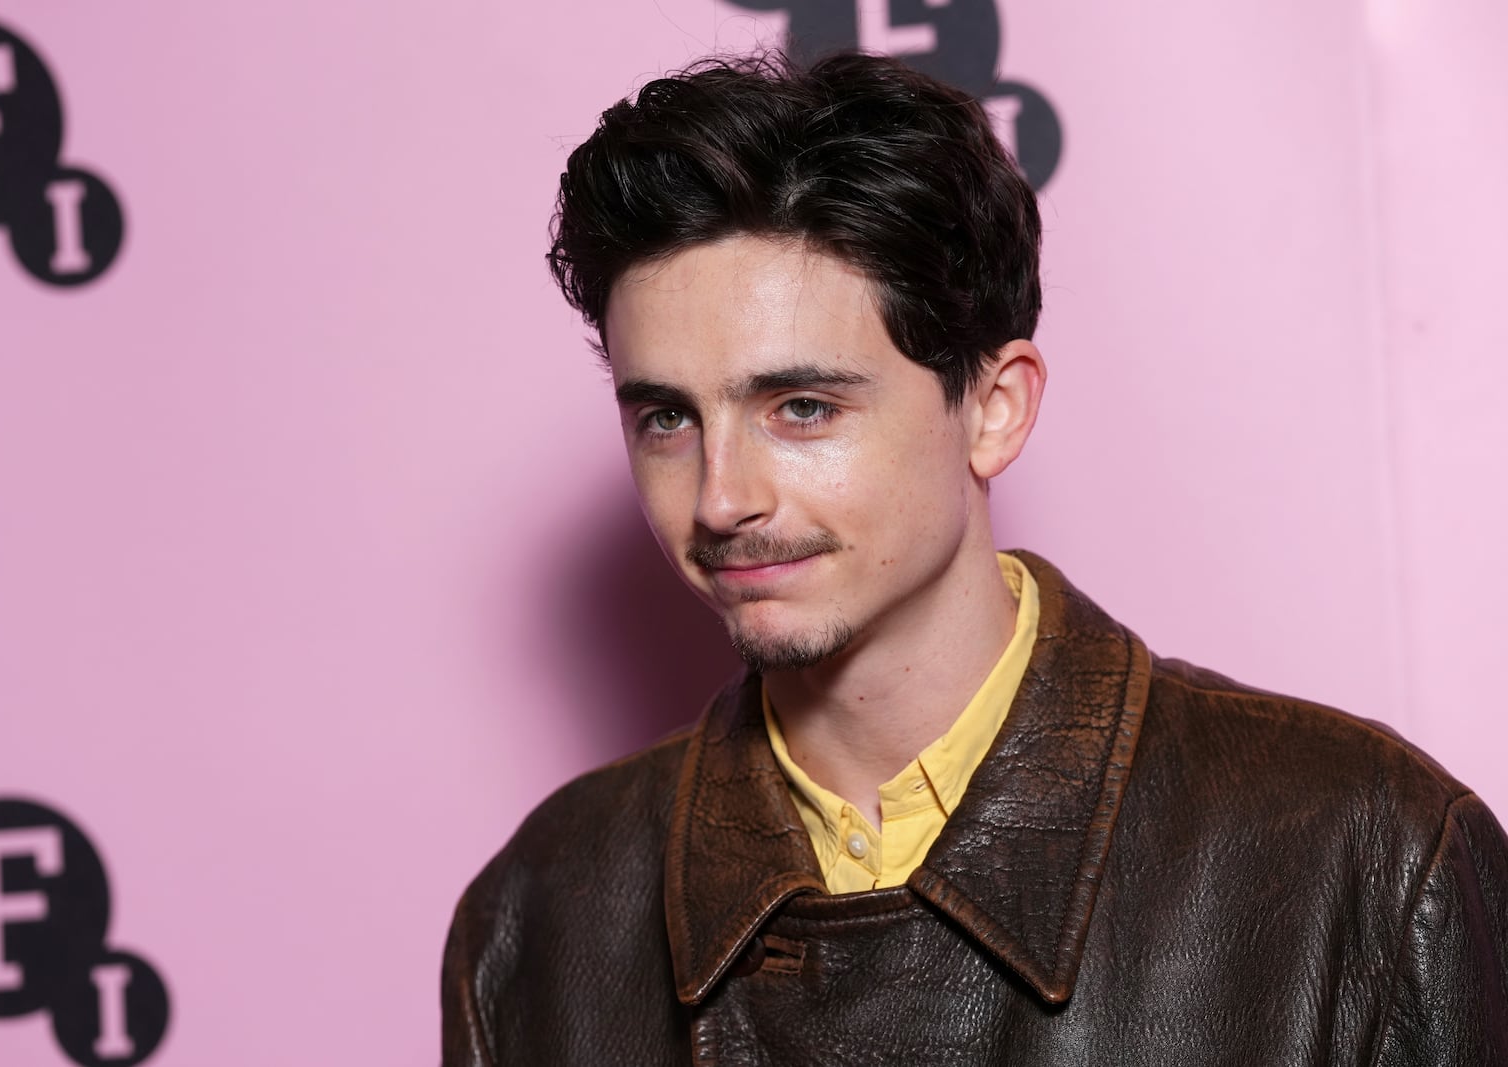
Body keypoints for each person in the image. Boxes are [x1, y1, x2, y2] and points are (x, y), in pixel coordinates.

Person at [442, 52, 1508, 1064]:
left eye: (802, 407)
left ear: (993, 410)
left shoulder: (1361, 855)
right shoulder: (542, 913)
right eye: (667, 420)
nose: (722, 497)